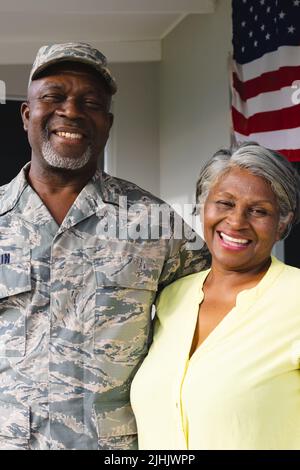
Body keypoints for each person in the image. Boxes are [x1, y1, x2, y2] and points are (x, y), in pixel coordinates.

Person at [0, 42, 209, 450]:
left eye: (90, 102)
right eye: (54, 97)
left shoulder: (156, 223)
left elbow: (213, 316)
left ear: (108, 123)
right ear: (27, 115)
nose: (72, 111)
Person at [131, 142, 300, 450]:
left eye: (259, 211)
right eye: (224, 203)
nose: (236, 222)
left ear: (282, 223)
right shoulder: (172, 296)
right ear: (202, 205)